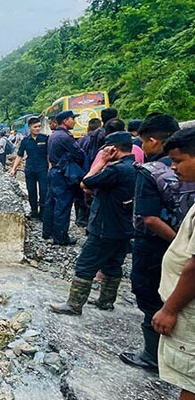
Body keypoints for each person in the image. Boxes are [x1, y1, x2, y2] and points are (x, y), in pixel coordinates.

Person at [120, 114, 183, 373]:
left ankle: (152, 355)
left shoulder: (150, 172)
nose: (142, 148)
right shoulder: (186, 166)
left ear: (154, 141)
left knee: (149, 295)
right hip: (184, 244)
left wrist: (176, 243)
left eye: (144, 142)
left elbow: (149, 218)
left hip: (155, 246)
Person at [49, 132, 136, 315]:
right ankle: (106, 301)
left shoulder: (115, 170)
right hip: (123, 227)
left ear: (113, 148)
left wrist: (102, 162)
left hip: (104, 226)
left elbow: (86, 182)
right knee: (113, 264)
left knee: (85, 264)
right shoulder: (135, 167)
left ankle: (74, 305)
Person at [152, 127, 195, 400]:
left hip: (188, 309)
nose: (174, 168)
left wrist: (169, 308)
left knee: (190, 378)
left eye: (179, 161)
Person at [42, 110, 86, 245]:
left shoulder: (53, 135)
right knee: (63, 204)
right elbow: (79, 154)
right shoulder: (65, 137)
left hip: (54, 171)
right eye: (72, 119)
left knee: (51, 202)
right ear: (66, 121)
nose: (74, 121)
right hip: (62, 174)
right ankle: (61, 237)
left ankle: (47, 231)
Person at [10, 117, 48, 219]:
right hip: (30, 169)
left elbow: (49, 155)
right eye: (35, 127)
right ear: (30, 128)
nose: (37, 128)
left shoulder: (45, 138)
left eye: (39, 126)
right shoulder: (25, 141)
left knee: (44, 191)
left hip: (43, 169)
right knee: (31, 191)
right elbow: (19, 155)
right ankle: (34, 211)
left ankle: (43, 213)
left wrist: (50, 167)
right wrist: (14, 168)